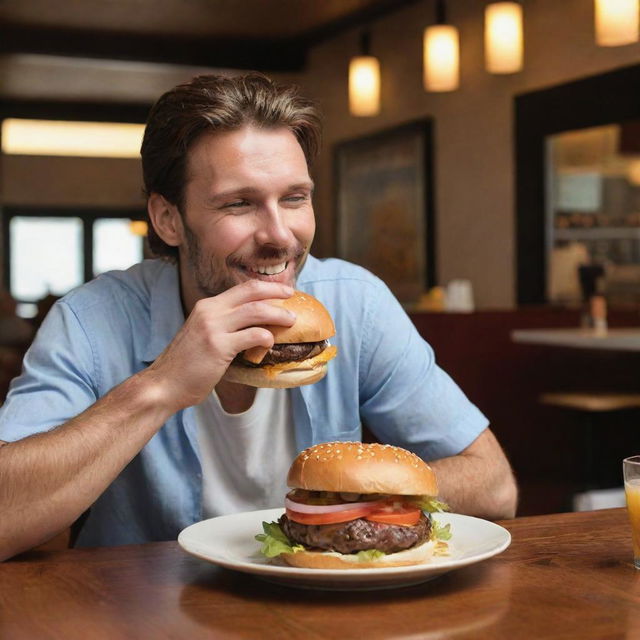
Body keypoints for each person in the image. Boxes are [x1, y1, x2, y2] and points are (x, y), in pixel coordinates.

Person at [0, 74, 516, 561]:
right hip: (141, 611)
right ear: (168, 219)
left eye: (294, 198)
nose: (280, 235)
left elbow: (494, 485)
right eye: (240, 203)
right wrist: (162, 385)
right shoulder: (90, 322)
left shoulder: (355, 303)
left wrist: (343, 500)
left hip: (325, 610)